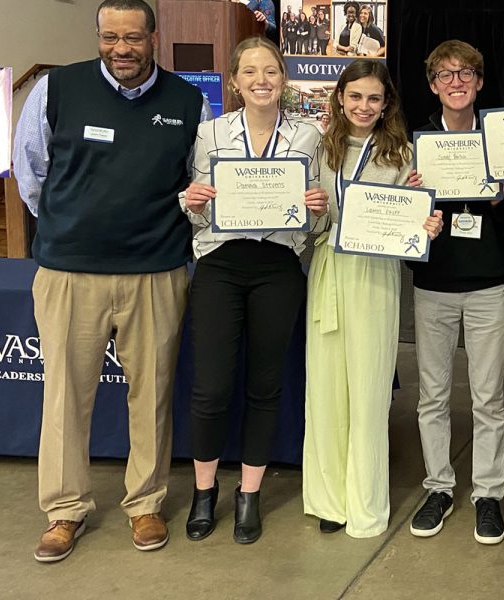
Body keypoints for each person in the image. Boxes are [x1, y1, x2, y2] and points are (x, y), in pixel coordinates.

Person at [12, 0, 210, 562]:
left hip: (156, 270)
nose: (120, 48)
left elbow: (196, 181)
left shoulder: (186, 101)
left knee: (150, 395)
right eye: (109, 37)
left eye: (132, 37)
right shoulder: (56, 90)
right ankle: (64, 510)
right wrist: (73, 222)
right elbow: (32, 174)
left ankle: (145, 503)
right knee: (65, 397)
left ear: (153, 36)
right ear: (98, 36)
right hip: (69, 272)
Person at [179, 36, 328, 545]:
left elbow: (316, 216)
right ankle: (204, 492)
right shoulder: (210, 132)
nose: (261, 80)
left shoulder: (308, 136)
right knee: (212, 386)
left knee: (265, 385)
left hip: (278, 267)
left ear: (283, 79)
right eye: (250, 72)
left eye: (271, 71)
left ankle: (249, 494)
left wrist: (317, 208)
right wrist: (192, 198)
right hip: (219, 265)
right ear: (235, 81)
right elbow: (198, 208)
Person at [302, 59, 443, 538]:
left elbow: (411, 223)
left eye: (374, 98)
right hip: (328, 270)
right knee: (325, 388)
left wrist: (425, 224)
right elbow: (308, 225)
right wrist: (311, 212)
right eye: (356, 96)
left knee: (368, 388)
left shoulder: (403, 154)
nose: (364, 106)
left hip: (377, 275)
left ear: (387, 105)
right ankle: (328, 500)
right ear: (340, 98)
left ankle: (365, 503)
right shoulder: (320, 149)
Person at [406, 40, 504, 545]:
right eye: (445, 75)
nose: (456, 82)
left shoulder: (501, 140)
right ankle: (439, 487)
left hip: (489, 285)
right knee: (432, 396)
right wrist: (413, 211)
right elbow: (402, 228)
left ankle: (488, 494)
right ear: (433, 85)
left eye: (465, 73)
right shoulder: (415, 146)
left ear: (479, 82)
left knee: (489, 397)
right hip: (433, 287)